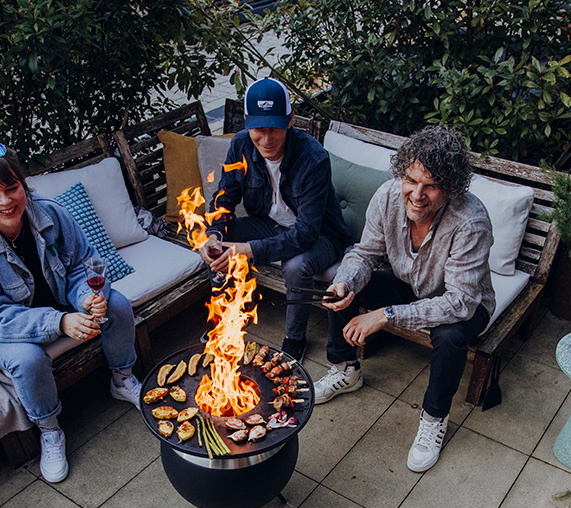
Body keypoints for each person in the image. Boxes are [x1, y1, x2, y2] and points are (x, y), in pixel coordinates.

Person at [0, 127, 141, 484]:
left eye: (12, 188)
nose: (6, 201)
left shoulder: (49, 213)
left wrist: (85, 297)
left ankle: (123, 380)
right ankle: (49, 428)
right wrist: (60, 322)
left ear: (23, 184)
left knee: (119, 306)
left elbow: (85, 260)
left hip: (60, 308)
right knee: (28, 358)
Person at [312, 125, 495, 473]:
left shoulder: (471, 221)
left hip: (464, 302)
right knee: (344, 285)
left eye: (432, 185)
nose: (417, 194)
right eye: (411, 180)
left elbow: (459, 303)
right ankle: (345, 369)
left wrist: (385, 315)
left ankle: (434, 418)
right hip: (409, 284)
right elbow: (365, 254)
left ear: (452, 188)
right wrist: (345, 281)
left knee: (451, 335)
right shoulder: (386, 197)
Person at [201, 77, 352, 362]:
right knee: (217, 243)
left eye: (276, 129)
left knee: (295, 266)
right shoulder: (240, 146)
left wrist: (250, 250)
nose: (267, 140)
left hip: (322, 235)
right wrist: (214, 236)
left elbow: (306, 234)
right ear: (246, 121)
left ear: (291, 120)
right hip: (271, 225)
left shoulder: (314, 159)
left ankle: (295, 339)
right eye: (259, 129)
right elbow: (224, 199)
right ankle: (228, 319)